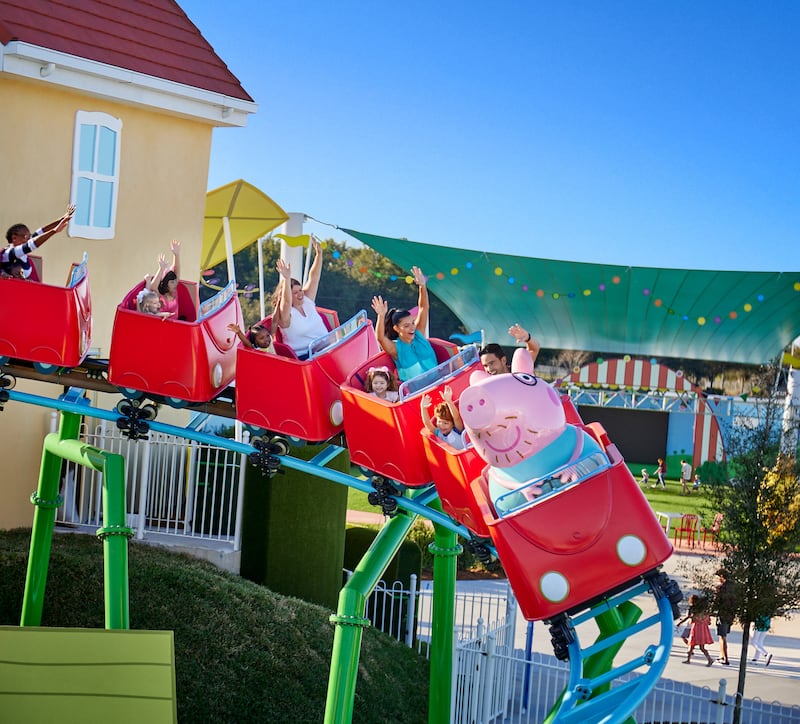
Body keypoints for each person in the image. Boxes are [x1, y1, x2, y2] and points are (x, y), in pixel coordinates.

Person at [371, 266, 437, 382]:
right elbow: (380, 338)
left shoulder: (419, 333)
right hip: (417, 393)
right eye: (406, 326)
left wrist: (422, 286)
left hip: (438, 383)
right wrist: (381, 316)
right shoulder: (396, 348)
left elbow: (423, 308)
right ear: (396, 328)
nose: (412, 328)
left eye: (412, 323)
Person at [272, 238, 328, 359]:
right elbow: (286, 302)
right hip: (306, 357)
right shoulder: (286, 315)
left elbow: (314, 277)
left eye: (300, 290)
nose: (300, 294)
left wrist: (319, 254)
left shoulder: (307, 300)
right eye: (295, 292)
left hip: (326, 348)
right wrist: (286, 279)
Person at [2, 204, 75, 279]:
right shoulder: (10, 253)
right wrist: (54, 231)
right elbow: (31, 244)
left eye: (29, 236)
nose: (29, 238)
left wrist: (62, 219)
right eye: (25, 237)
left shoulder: (22, 249)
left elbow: (42, 231)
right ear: (14, 238)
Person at [421, 385, 465, 450]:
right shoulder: (439, 433)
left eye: (446, 423)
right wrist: (423, 408)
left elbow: (456, 417)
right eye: (439, 421)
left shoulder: (457, 429)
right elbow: (427, 423)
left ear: (452, 424)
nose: (441, 425)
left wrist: (449, 401)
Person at [146, 239, 181, 318]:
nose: (175, 284)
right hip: (164, 327)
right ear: (166, 283)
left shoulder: (174, 292)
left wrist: (176, 255)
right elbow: (153, 287)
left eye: (175, 281)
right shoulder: (160, 296)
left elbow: (177, 271)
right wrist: (161, 269)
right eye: (172, 282)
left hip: (176, 325)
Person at [678, 594, 715, 666]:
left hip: (695, 629)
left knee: (691, 644)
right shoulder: (704, 612)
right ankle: (709, 659)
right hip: (703, 630)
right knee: (701, 647)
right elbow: (709, 622)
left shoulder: (693, 610)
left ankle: (689, 659)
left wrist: (680, 623)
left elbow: (690, 618)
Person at [714, 569, 736, 665]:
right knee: (722, 636)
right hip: (730, 614)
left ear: (722, 577)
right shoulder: (734, 587)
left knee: (722, 637)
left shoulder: (721, 588)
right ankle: (721, 655)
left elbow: (716, 602)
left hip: (722, 614)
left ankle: (725, 658)